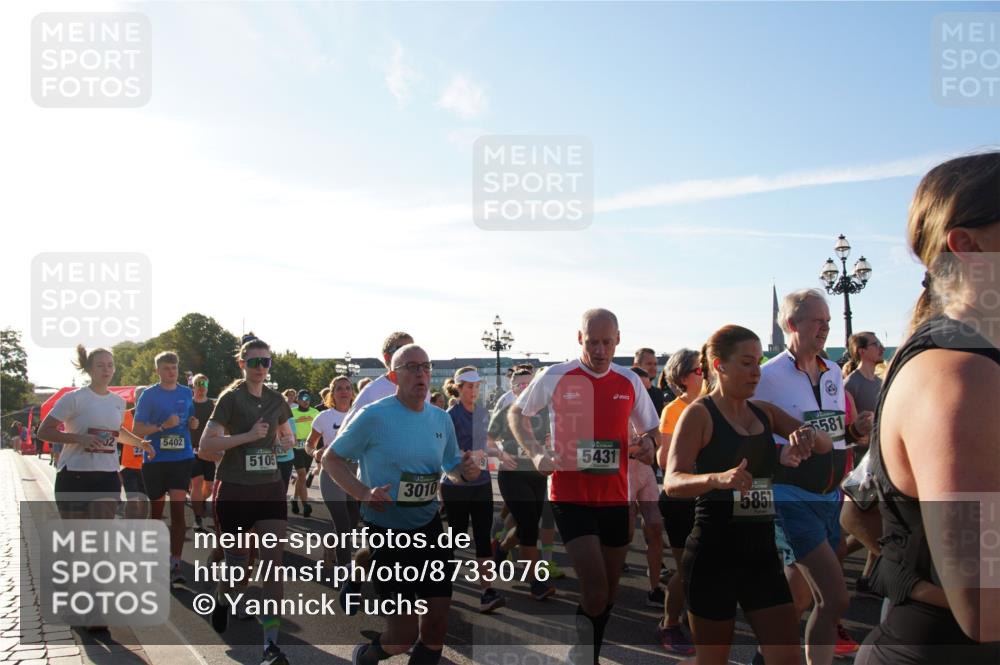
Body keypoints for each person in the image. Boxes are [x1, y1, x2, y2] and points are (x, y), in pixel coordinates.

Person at [855, 152, 1000, 664]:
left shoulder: (969, 359)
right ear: (968, 243)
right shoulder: (958, 375)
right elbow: (986, 604)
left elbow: (861, 508)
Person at [665, 324, 827, 665]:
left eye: (759, 363)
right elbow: (672, 481)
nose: (757, 373)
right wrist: (716, 478)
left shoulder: (764, 412)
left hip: (761, 554)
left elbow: (824, 444)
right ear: (718, 364)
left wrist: (805, 436)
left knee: (787, 657)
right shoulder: (699, 414)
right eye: (747, 363)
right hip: (713, 553)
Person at [508, 308, 659, 665]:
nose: (600, 350)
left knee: (609, 592)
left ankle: (585, 650)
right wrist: (536, 452)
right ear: (580, 339)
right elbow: (517, 413)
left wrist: (651, 445)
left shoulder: (629, 381)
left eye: (607, 342)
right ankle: (582, 657)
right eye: (592, 342)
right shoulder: (556, 375)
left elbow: (651, 430)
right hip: (570, 495)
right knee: (594, 591)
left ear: (618, 340)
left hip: (616, 499)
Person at [322, 344, 480, 665]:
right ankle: (367, 654)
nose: (421, 374)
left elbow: (452, 467)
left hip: (430, 529)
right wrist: (364, 493)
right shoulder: (373, 416)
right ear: (394, 375)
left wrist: (465, 471)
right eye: (411, 367)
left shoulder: (440, 418)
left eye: (426, 367)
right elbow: (332, 459)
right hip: (387, 532)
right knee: (402, 637)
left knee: (436, 626)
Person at [754, 289, 874, 664]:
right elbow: (741, 432)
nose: (825, 328)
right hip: (791, 497)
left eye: (828, 322)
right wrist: (779, 453)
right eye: (817, 321)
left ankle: (763, 658)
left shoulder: (833, 371)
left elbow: (832, 434)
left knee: (800, 597)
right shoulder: (766, 376)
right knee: (834, 598)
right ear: (791, 324)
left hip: (830, 496)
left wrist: (854, 433)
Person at [200, 337, 296, 665]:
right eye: (253, 362)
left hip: (270, 490)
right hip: (236, 491)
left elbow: (288, 436)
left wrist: (285, 442)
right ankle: (223, 597)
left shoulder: (276, 400)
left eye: (265, 362)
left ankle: (270, 644)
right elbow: (205, 446)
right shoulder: (230, 399)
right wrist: (248, 437)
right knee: (238, 566)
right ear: (242, 364)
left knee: (272, 567)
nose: (260, 368)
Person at [37, 346, 152, 521]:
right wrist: (79, 439)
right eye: (100, 365)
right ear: (89, 370)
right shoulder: (73, 398)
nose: (106, 369)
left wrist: (140, 443)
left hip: (107, 475)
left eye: (110, 365)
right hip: (74, 475)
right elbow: (44, 431)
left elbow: (116, 431)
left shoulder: (118, 402)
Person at [442, 367, 510, 612]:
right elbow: (445, 451)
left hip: (481, 484)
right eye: (469, 387)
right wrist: (465, 457)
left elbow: (486, 445)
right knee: (456, 537)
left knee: (483, 536)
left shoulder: (483, 413)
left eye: (477, 386)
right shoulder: (450, 415)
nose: (474, 391)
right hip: (456, 485)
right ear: (459, 388)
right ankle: (440, 587)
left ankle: (486, 591)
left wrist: (500, 453)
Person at [131, 351, 198, 584]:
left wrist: (193, 423)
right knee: (157, 513)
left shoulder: (186, 392)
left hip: (182, 457)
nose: (171, 372)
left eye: (175, 368)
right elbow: (137, 430)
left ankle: (176, 563)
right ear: (157, 370)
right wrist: (161, 426)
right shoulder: (149, 396)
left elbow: (190, 418)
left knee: (179, 512)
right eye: (167, 368)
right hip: (156, 460)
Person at [653, 348, 702, 656]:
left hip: (712, 496)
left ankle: (693, 615)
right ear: (683, 377)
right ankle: (669, 623)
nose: (705, 373)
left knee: (708, 565)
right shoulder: (675, 409)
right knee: (687, 567)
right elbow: (663, 461)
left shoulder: (718, 404)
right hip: (681, 498)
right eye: (699, 370)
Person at [626, 366, 667, 609]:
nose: (644, 391)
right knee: (626, 533)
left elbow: (658, 437)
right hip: (623, 476)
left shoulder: (649, 412)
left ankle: (654, 588)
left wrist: (651, 444)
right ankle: (608, 582)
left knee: (655, 526)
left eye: (647, 386)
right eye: (638, 386)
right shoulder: (615, 407)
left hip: (645, 474)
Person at [305, 376, 357, 567]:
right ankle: (345, 572)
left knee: (352, 524)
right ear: (332, 394)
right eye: (339, 389)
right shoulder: (324, 417)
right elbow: (309, 445)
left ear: (352, 393)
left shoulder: (360, 414)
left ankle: (330, 545)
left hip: (355, 474)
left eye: (347, 388)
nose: (344, 391)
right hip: (332, 473)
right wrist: (315, 453)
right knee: (343, 525)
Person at [189, 374, 216, 532]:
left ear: (207, 386)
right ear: (193, 387)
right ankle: (197, 518)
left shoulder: (213, 406)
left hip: (209, 450)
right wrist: (189, 424)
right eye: (197, 384)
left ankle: (199, 503)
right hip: (192, 450)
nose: (201, 387)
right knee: (197, 483)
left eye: (203, 384)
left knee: (210, 488)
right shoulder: (188, 404)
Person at [288, 389, 320, 517]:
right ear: (298, 400)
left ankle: (294, 499)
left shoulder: (315, 412)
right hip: (295, 448)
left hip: (309, 448)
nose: (306, 402)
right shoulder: (291, 413)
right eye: (303, 399)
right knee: (301, 474)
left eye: (308, 399)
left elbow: (320, 430)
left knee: (302, 477)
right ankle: (306, 504)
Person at [843, 332, 884, 416]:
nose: (882, 349)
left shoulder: (881, 382)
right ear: (862, 351)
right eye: (876, 344)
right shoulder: (850, 384)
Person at [634, 347, 665, 417]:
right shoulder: (627, 391)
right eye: (649, 364)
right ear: (636, 365)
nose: (653, 368)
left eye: (655, 364)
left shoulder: (658, 393)